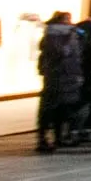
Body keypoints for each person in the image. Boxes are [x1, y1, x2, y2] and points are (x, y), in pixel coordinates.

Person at [36, 12, 84, 153]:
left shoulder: (56, 36)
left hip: (61, 77)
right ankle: (45, 139)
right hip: (59, 77)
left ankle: (56, 137)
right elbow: (62, 53)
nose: (70, 22)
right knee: (52, 108)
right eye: (67, 19)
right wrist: (68, 39)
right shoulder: (57, 36)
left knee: (58, 109)